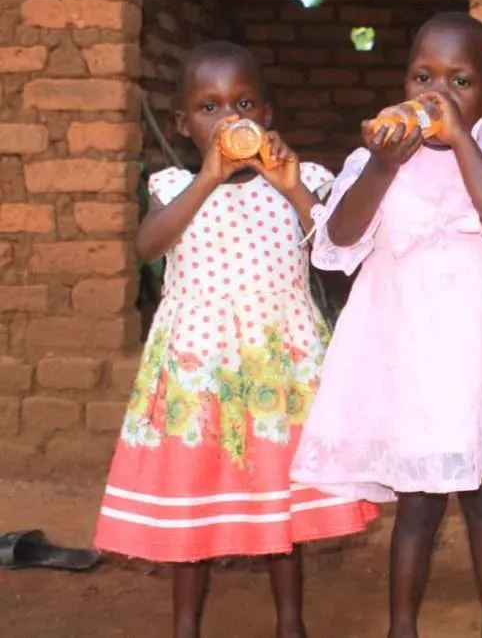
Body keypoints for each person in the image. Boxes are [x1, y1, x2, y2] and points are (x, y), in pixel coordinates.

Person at [93, 41, 378, 638]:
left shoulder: (299, 182)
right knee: (194, 500)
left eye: (243, 103)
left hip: (279, 369)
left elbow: (339, 245)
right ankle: (186, 625)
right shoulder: (174, 186)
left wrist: (292, 184)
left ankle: (291, 623)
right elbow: (148, 247)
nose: (229, 119)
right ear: (183, 123)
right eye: (210, 107)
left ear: (267, 116)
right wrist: (208, 177)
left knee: (280, 499)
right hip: (199, 372)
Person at [289, 12, 482, 638]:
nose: (437, 95)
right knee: (419, 503)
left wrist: (463, 141)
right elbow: (340, 237)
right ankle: (401, 627)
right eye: (423, 76)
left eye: (460, 82)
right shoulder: (373, 157)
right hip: (409, 357)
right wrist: (383, 166)